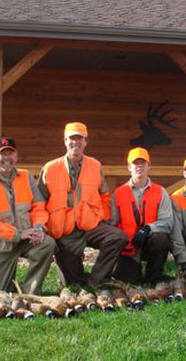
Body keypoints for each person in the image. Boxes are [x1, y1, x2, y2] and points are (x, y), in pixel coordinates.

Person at [38, 122, 128, 290]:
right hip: (65, 231)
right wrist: (44, 228)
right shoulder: (50, 169)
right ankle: (81, 280)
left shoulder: (95, 165)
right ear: (65, 140)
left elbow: (104, 195)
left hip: (90, 224)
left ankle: (96, 280)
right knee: (72, 283)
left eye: (80, 139)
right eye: (72, 139)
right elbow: (39, 203)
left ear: (86, 142)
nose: (76, 143)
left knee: (117, 237)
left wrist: (105, 218)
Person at [0, 137, 56, 294]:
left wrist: (38, 228)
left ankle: (30, 292)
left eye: (11, 153)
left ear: (16, 156)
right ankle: (7, 284)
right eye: (2, 154)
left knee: (47, 244)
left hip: (25, 240)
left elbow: (39, 206)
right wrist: (18, 233)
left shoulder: (26, 177)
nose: (7, 158)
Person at [111, 147, 173, 285]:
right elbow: (112, 224)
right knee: (128, 282)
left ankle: (153, 276)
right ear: (129, 167)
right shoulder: (118, 193)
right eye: (135, 163)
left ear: (149, 166)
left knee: (161, 239)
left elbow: (168, 222)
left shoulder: (160, 191)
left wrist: (148, 228)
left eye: (143, 163)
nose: (139, 167)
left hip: (150, 241)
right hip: (128, 246)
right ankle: (130, 270)